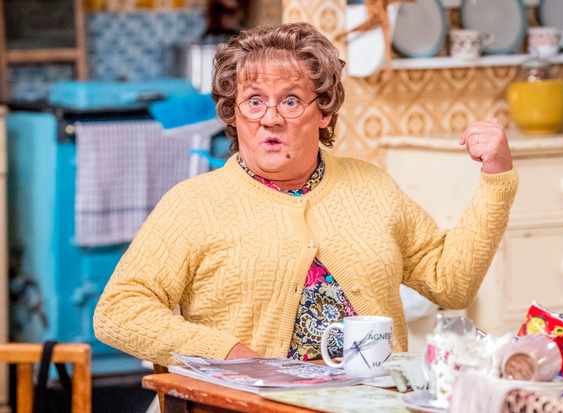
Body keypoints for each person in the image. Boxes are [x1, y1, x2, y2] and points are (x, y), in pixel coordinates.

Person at [93, 22, 518, 366]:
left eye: (291, 101)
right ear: (233, 113)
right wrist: (225, 353)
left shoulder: (372, 187)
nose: (271, 119)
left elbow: (451, 284)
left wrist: (496, 177)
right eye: (254, 101)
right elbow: (120, 310)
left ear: (324, 111)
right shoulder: (193, 204)